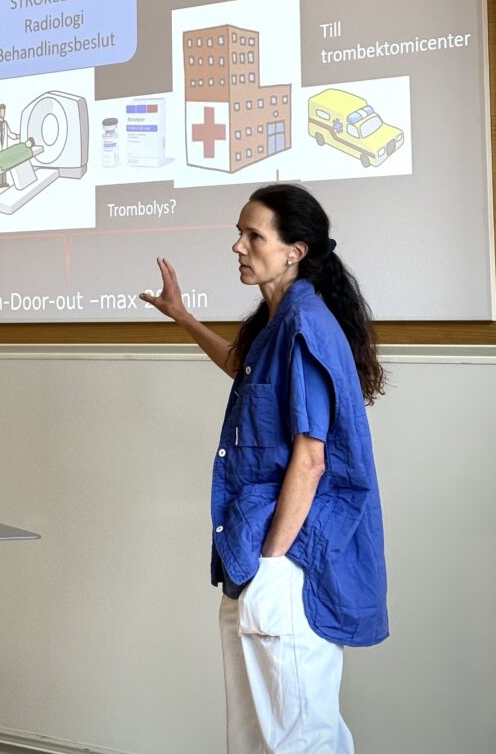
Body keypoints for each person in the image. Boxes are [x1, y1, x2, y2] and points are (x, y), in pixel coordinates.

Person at [141, 183, 388, 754]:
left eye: (254, 235)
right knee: (258, 737)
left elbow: (311, 458)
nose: (238, 246)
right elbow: (244, 368)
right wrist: (183, 317)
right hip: (256, 554)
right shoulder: (279, 323)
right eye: (240, 233)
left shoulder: (305, 326)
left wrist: (273, 563)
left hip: (289, 562)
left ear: (294, 251)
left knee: (298, 739)